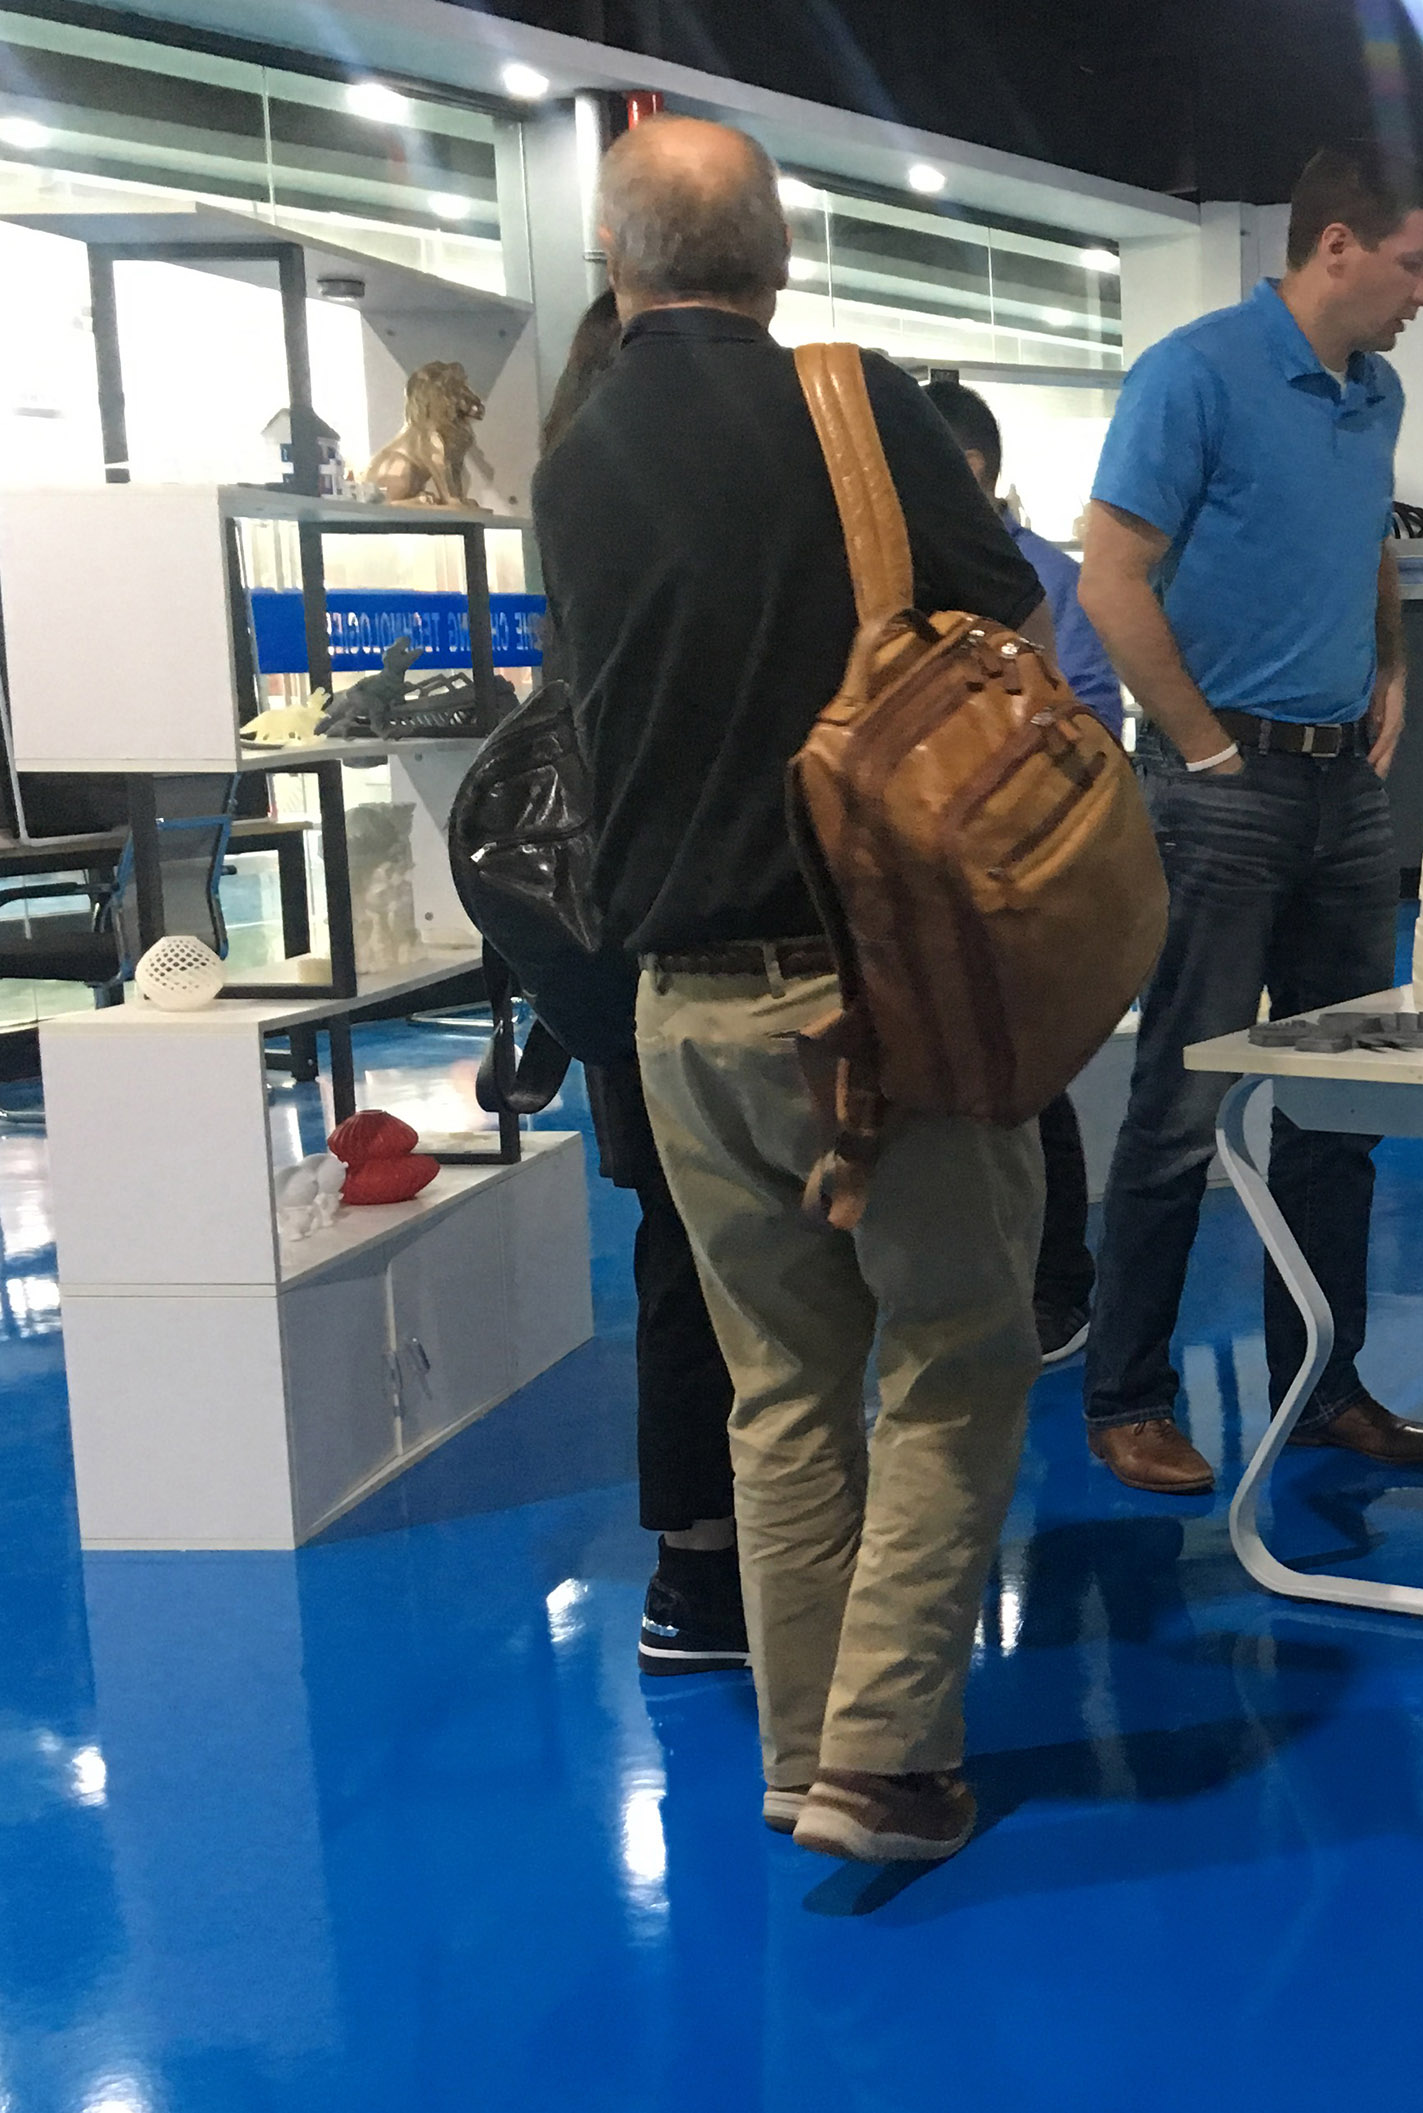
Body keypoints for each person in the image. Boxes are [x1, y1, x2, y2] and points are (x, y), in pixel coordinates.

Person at [535, 115, 1053, 1863]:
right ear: (775, 255)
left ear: (616, 258)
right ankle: (888, 1762)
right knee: (959, 1350)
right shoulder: (853, 404)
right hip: (879, 989)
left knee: (779, 1388)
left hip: (678, 1007)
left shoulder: (573, 459)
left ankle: (800, 1749)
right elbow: (1003, 612)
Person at [1073, 141, 1423, 1496]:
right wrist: (1203, 749)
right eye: (1414, 263)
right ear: (1337, 247)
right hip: (1221, 794)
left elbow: (1365, 543)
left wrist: (1392, 664)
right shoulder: (1191, 375)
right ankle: (1127, 1395)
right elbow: (1110, 578)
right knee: (1181, 1106)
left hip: (1344, 794)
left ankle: (1323, 1385)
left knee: (1344, 1103)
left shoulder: (1377, 393)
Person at [535, 288, 748, 1680]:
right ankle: (713, 1570)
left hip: (618, 949)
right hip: (689, 939)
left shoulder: (576, 511)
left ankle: (697, 1567)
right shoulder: (682, 537)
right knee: (717, 1262)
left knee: (681, 1254)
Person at [920, 375, 1116, 1369]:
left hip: (1012, 869)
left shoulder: (1042, 579)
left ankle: (1058, 1289)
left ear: (971, 469)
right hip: (911, 875)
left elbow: (1084, 720)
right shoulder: (887, 572)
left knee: (1030, 1080)